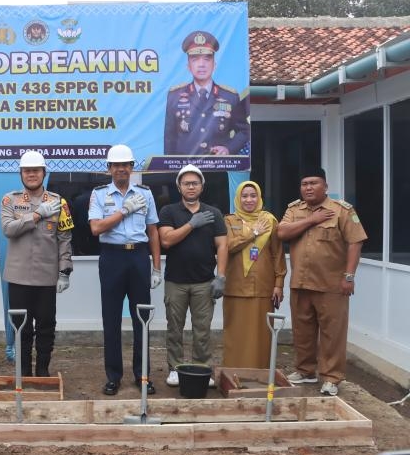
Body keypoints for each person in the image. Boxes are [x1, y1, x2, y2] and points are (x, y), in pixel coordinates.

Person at [277, 168, 367, 396]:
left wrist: (349, 276)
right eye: (304, 183)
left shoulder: (341, 210)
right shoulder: (294, 210)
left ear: (325, 186)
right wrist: (311, 220)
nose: (308, 187)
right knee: (302, 331)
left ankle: (331, 377)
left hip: (331, 285)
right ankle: (305, 371)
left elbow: (355, 242)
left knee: (332, 332)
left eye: (314, 183)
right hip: (301, 283)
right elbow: (282, 233)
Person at [88, 144, 161, 396]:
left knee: (142, 318)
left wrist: (156, 267)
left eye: (125, 165)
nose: (121, 169)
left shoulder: (145, 193)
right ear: (109, 168)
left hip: (139, 256)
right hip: (112, 257)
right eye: (116, 165)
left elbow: (153, 231)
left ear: (132, 167)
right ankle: (113, 376)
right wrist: (123, 211)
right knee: (111, 319)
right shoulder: (99, 194)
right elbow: (96, 229)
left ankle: (143, 376)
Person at [0, 151, 73, 377]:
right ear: (21, 174)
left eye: (36, 170)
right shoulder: (9, 200)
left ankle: (42, 370)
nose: (31, 174)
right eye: (27, 171)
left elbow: (65, 237)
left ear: (44, 172)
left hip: (46, 276)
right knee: (21, 326)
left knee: (46, 326)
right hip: (19, 276)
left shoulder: (58, 201)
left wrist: (64, 271)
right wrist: (36, 215)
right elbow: (8, 229)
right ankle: (23, 372)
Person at [158, 164, 227, 388]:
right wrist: (191, 224)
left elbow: (222, 245)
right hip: (175, 282)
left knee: (202, 331)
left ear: (202, 186)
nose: (191, 187)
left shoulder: (213, 213)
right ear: (179, 187)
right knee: (174, 329)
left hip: (204, 282)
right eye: (186, 183)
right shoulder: (169, 211)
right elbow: (166, 240)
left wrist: (221, 277)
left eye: (195, 183)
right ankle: (176, 369)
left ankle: (202, 369)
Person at [222, 180, 287, 368]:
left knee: (262, 334)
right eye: (244, 196)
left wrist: (279, 283)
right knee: (236, 332)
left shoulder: (270, 221)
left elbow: (277, 254)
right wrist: (253, 234)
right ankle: (233, 373)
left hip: (264, 287)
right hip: (235, 286)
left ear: (259, 198)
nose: (249, 200)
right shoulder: (229, 221)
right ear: (238, 198)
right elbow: (228, 247)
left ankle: (261, 373)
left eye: (253, 196)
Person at [164, 30, 250, 156]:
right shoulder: (174, 96)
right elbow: (170, 138)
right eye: (195, 59)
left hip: (217, 169)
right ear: (188, 66)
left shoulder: (230, 97)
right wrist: (169, 169)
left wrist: (228, 148)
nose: (201, 65)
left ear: (214, 65)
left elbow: (244, 131)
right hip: (184, 170)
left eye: (207, 59)